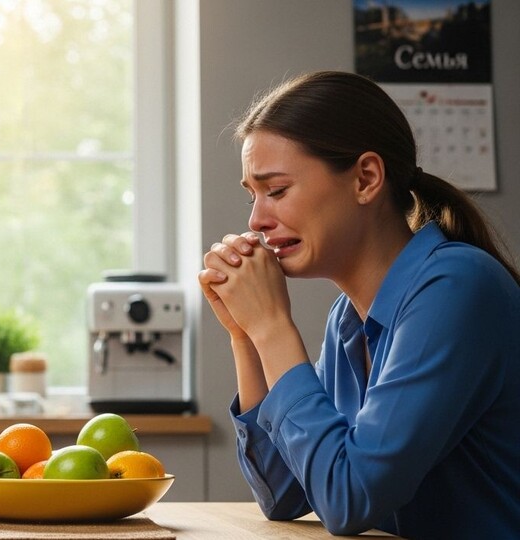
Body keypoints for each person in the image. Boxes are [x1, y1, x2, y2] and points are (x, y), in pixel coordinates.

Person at [198, 71, 520, 538]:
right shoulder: (348, 318)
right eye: (253, 194)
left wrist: (272, 326)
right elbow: (284, 493)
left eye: (278, 190)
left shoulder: (458, 287)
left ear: (366, 179)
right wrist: (245, 334)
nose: (256, 220)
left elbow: (349, 499)